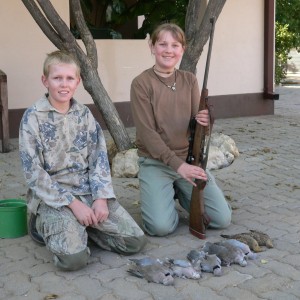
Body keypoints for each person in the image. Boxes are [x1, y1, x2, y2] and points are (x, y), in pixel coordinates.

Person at [19, 50, 146, 271]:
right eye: (57, 78)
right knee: (74, 260)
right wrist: (73, 204)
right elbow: (34, 173)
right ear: (45, 81)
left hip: (88, 192)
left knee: (134, 241)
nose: (63, 84)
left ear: (77, 82)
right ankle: (42, 226)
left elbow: (99, 159)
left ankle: (81, 228)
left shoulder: (84, 115)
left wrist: (101, 198)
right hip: (54, 200)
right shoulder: (32, 118)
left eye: (70, 78)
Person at [130, 23, 232, 237]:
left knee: (222, 219)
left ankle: (177, 191)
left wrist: (206, 121)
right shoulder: (141, 83)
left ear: (182, 50)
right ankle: (164, 194)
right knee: (160, 227)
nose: (169, 50)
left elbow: (197, 125)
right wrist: (178, 167)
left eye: (175, 45)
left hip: (188, 160)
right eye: (162, 44)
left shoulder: (189, 79)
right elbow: (147, 133)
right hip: (156, 162)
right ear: (152, 46)